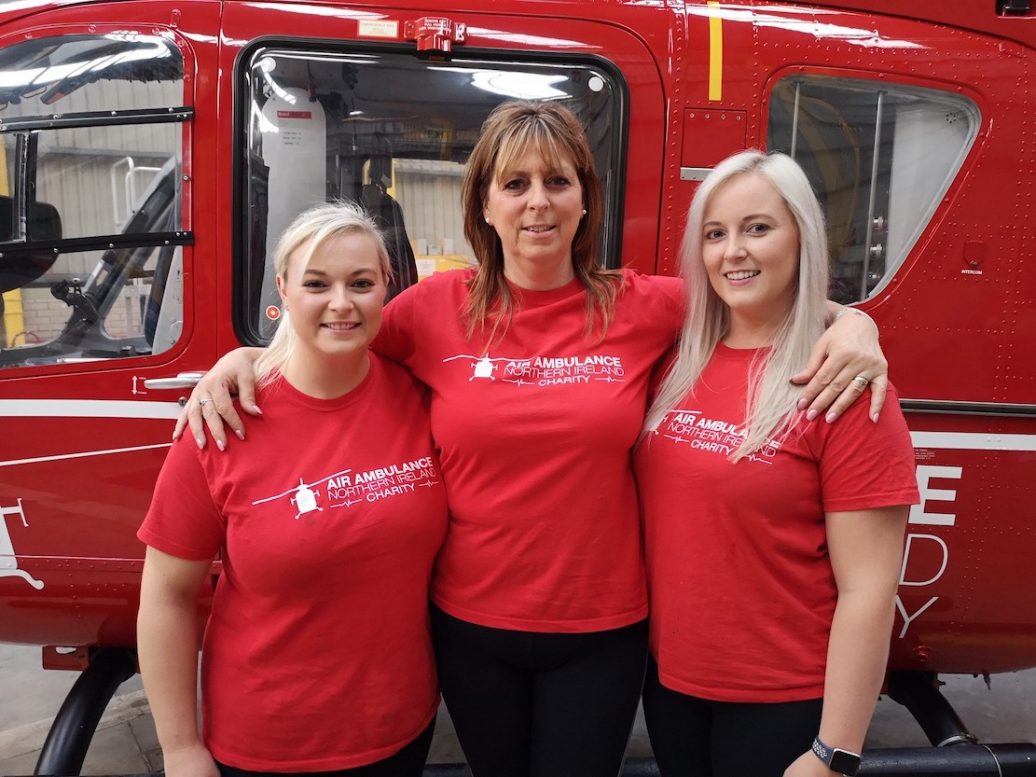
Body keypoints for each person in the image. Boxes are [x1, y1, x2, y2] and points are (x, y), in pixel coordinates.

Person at [174, 103, 888, 777]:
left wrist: (856, 323)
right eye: (514, 183)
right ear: (484, 203)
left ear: (585, 199)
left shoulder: (642, 304)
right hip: (469, 626)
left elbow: (752, 290)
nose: (537, 201)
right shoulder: (431, 311)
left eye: (557, 180)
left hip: (603, 632)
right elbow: (327, 334)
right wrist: (244, 361)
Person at [136, 202, 448, 777]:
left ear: (387, 288)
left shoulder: (421, 397)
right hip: (268, 742)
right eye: (316, 284)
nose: (341, 303)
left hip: (400, 727)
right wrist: (180, 748)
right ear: (281, 288)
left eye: (360, 283)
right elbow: (165, 597)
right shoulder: (223, 420)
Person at [636, 151, 918, 777]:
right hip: (673, 687)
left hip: (782, 701)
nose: (733, 251)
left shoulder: (841, 386)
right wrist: (856, 318)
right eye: (716, 233)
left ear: (801, 235)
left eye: (757, 228)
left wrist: (833, 753)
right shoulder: (675, 362)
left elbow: (869, 591)